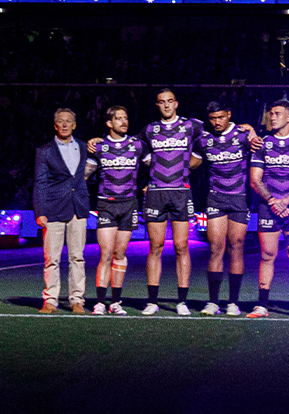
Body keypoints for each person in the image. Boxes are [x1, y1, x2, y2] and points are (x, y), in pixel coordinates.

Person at [248, 99, 289, 318]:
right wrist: (272, 201)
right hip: (268, 206)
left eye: (277, 113)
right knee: (268, 254)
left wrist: (285, 202)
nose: (272, 117)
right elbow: (255, 180)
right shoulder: (262, 144)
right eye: (271, 113)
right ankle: (262, 305)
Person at [140, 88, 203, 315]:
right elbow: (135, 149)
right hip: (156, 192)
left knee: (181, 246)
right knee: (155, 246)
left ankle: (182, 302)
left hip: (180, 192)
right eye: (161, 102)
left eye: (170, 101)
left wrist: (247, 128)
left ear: (176, 104)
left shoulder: (192, 126)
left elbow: (215, 136)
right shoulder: (149, 129)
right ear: (157, 105)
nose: (166, 105)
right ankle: (152, 302)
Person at [195, 101, 256, 315]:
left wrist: (253, 131)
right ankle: (213, 302)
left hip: (239, 199)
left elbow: (260, 149)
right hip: (215, 199)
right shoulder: (203, 140)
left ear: (229, 115)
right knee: (215, 248)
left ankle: (233, 303)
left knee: (236, 247)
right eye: (213, 118)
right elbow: (191, 163)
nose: (217, 122)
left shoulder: (242, 136)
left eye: (221, 117)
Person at [88, 104, 147, 314]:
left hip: (129, 204)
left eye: (126, 118)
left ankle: (115, 302)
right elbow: (85, 174)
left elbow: (155, 165)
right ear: (109, 123)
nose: (124, 122)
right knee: (105, 254)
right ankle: (99, 302)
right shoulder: (100, 147)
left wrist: (151, 184)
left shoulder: (137, 145)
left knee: (120, 253)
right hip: (106, 204)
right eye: (119, 118)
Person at [31, 108, 91, 314]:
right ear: (55, 125)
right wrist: (40, 211)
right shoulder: (45, 151)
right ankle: (50, 300)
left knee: (77, 257)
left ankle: (77, 300)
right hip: (53, 209)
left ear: (74, 125)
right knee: (52, 259)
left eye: (68, 121)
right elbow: (40, 182)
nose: (64, 124)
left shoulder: (84, 146)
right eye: (60, 121)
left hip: (78, 207)